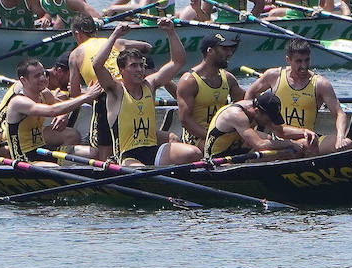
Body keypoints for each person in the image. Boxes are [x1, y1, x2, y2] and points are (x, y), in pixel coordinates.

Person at [91, 20, 197, 167]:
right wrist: (115, 35)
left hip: (152, 151)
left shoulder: (150, 85)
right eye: (133, 66)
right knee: (142, 171)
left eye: (141, 65)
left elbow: (178, 62)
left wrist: (171, 32)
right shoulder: (116, 90)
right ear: (121, 70)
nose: (139, 70)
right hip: (126, 157)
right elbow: (97, 65)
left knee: (194, 153)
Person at [66, 13, 152, 158]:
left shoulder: (75, 54)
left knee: (99, 152)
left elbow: (74, 95)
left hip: (106, 97)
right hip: (129, 90)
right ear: (96, 31)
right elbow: (147, 46)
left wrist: (87, 92)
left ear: (76, 34)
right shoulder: (116, 42)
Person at [244, 38, 352, 154]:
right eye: (299, 61)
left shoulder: (321, 84)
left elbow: (339, 114)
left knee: (349, 144)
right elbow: (250, 93)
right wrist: (254, 122)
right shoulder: (274, 76)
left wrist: (340, 138)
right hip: (278, 138)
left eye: (307, 60)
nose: (304, 66)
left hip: (308, 139)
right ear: (288, 60)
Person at [0, 59, 102, 163]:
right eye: (37, 76)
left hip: (42, 150)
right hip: (24, 157)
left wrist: (64, 114)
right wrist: (86, 96)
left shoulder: (45, 94)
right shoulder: (18, 102)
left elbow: (61, 106)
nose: (43, 79)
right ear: (23, 80)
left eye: (43, 74)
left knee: (94, 153)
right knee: (55, 169)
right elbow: (52, 110)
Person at [175, 32, 245, 149]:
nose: (230, 53)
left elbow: (246, 102)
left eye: (230, 49)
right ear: (210, 51)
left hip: (223, 133)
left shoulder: (228, 78)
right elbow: (185, 120)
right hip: (197, 137)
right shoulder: (189, 81)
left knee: (262, 140)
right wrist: (213, 136)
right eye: (224, 49)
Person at [204, 91, 316, 159]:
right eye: (268, 119)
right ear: (256, 111)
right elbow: (260, 145)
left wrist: (304, 131)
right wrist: (289, 144)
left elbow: (280, 131)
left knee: (274, 140)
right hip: (218, 158)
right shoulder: (236, 115)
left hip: (236, 150)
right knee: (287, 152)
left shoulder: (259, 109)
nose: (269, 123)